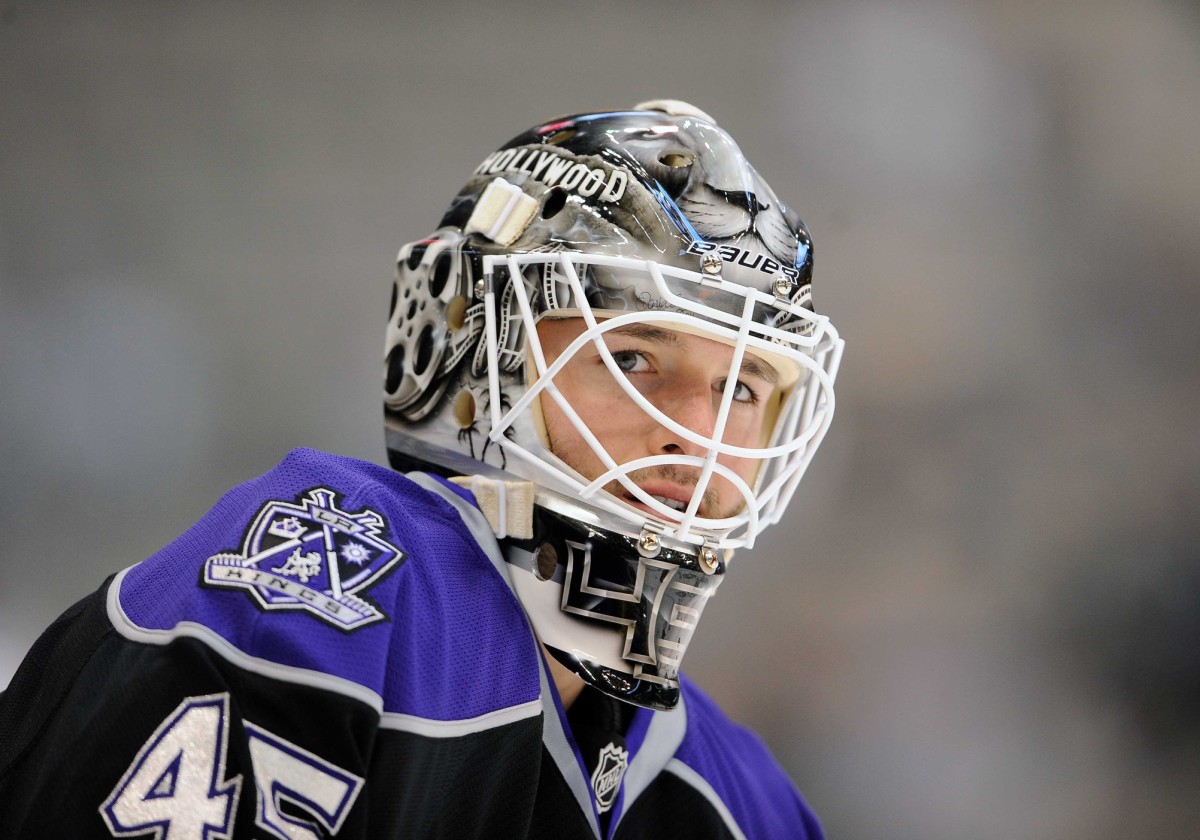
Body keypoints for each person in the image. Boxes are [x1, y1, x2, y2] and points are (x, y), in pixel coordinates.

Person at [0, 100, 843, 838]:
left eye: (741, 384)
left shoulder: (746, 799)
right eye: (631, 360)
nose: (694, 433)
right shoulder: (327, 598)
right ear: (468, 352)